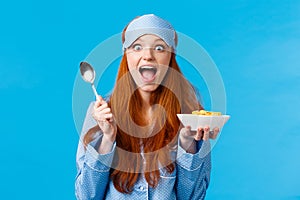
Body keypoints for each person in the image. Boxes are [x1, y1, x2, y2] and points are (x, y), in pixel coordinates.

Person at [75, 14, 220, 200]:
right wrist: (107, 139)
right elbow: (86, 196)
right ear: (126, 55)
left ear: (170, 57)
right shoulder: (101, 114)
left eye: (159, 48)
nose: (148, 56)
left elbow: (192, 197)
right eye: (137, 47)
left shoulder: (190, 116)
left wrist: (187, 144)